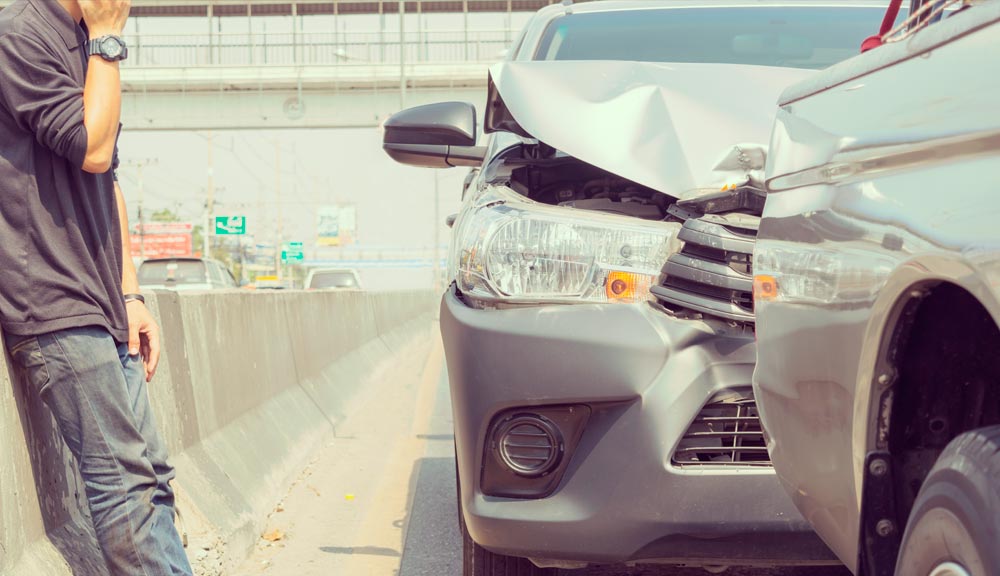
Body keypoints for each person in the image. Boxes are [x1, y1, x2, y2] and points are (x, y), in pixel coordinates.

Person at [0, 1, 192, 574]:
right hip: (53, 303)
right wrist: (108, 41)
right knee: (124, 486)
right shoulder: (20, 36)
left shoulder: (85, 38)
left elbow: (108, 182)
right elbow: (93, 148)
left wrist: (130, 295)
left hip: (103, 302)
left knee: (152, 475)